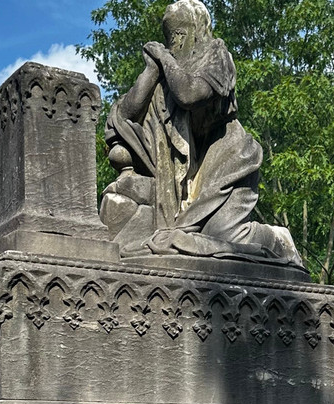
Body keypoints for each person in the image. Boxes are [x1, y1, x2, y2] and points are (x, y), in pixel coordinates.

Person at [100, 0, 302, 267]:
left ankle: (278, 241)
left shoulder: (216, 54)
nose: (176, 40)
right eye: (171, 35)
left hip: (228, 158)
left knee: (219, 236)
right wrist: (151, 71)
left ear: (195, 29)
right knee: (184, 240)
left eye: (180, 32)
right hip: (189, 173)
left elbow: (190, 94)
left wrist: (165, 59)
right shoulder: (165, 75)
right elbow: (124, 115)